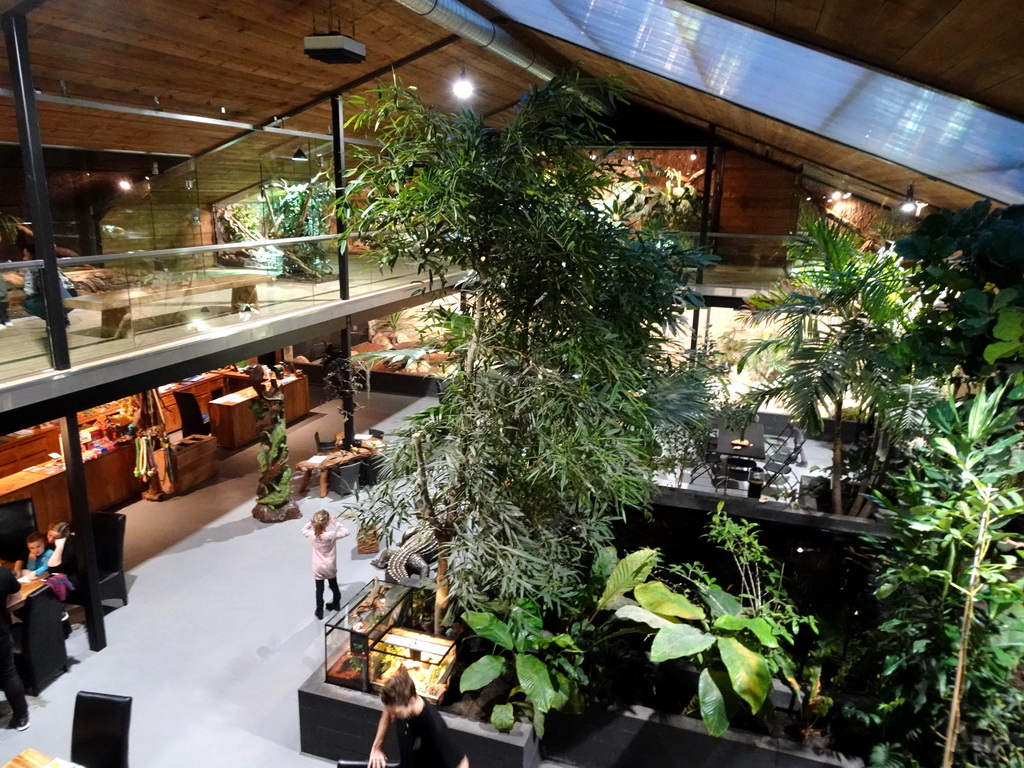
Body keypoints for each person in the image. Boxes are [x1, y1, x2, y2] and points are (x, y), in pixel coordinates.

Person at [369, 667, 468, 768]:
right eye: (392, 712)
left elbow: (462, 763)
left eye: (397, 713)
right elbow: (388, 711)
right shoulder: (399, 702)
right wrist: (376, 747)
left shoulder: (433, 727)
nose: (393, 716)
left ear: (411, 701)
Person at [301, 510, 349, 620]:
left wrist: (310, 523)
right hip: (330, 566)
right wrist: (336, 522)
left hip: (317, 566)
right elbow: (345, 532)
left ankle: (319, 610)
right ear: (327, 523)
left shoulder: (311, 535)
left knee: (319, 589)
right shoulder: (330, 535)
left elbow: (303, 530)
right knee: (333, 586)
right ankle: (336, 604)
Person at [0, 567, 30, 730]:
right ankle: (22, 716)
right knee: (8, 674)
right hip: (1, 635)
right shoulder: (3, 573)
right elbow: (17, 597)